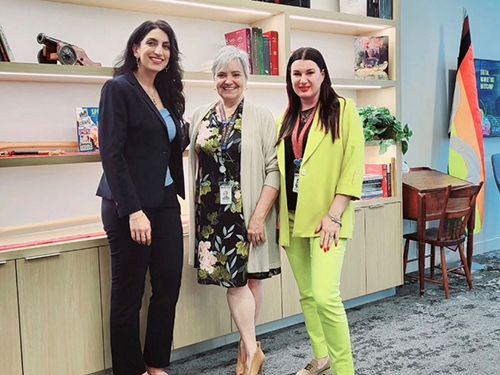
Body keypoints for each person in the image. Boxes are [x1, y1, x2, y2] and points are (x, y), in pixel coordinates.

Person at [96, 20, 186, 375]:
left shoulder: (167, 92)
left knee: (168, 285)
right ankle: (130, 370)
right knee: (129, 296)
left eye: (165, 46)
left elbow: (164, 146)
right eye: (151, 43)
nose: (158, 51)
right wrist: (132, 210)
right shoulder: (118, 88)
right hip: (128, 204)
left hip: (164, 200)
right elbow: (112, 154)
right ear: (136, 48)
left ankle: (155, 364)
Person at [187, 45, 280, 375]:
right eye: (222, 74)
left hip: (249, 213)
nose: (229, 81)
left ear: (246, 78)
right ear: (213, 79)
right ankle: (251, 351)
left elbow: (274, 170)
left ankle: (248, 353)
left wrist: (258, 217)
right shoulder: (200, 116)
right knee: (236, 284)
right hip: (213, 217)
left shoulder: (262, 116)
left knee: (251, 282)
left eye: (235, 74)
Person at [275, 47, 364, 375]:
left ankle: (344, 370)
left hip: (329, 219)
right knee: (309, 295)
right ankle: (321, 356)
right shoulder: (284, 119)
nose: (302, 79)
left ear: (323, 74)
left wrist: (335, 214)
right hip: (293, 219)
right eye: (296, 73)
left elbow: (353, 164)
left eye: (309, 72)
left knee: (327, 296)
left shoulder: (343, 110)